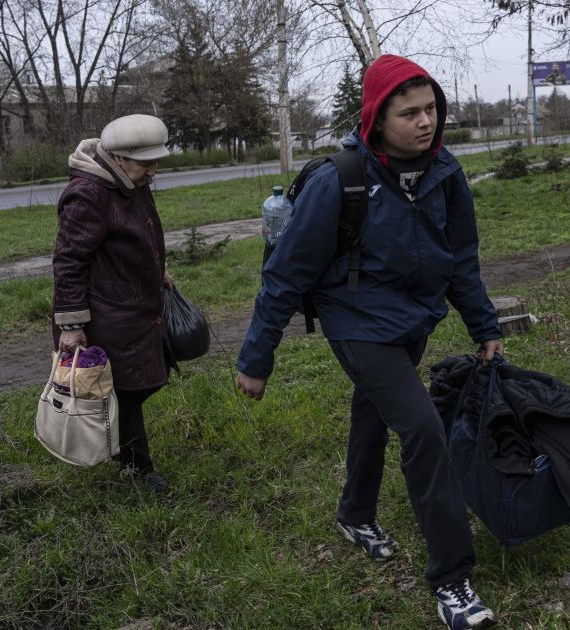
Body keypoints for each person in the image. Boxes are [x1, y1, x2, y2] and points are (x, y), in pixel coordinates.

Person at [235, 54, 503, 630]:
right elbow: (285, 274)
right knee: (423, 429)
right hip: (356, 323)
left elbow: (461, 259)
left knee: (374, 412)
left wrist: (484, 326)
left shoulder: (445, 173)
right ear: (377, 118)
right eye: (409, 113)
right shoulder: (340, 179)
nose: (425, 121)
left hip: (413, 319)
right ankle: (453, 581)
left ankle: (355, 513)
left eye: (431, 109)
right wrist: (257, 357)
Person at [52, 113, 173, 492]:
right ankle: (135, 467)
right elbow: (69, 261)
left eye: (156, 162)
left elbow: (138, 235)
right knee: (126, 389)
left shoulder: (131, 182)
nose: (152, 171)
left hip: (132, 305)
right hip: (104, 313)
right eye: (144, 163)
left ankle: (119, 450)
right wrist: (71, 325)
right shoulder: (87, 194)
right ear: (119, 157)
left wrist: (156, 271)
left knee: (139, 382)